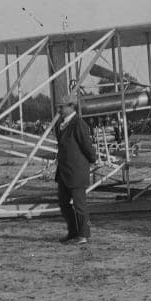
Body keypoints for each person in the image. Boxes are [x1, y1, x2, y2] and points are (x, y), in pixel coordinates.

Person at [53, 91, 97, 245]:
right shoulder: (60, 124)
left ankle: (83, 235)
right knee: (64, 204)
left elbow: (87, 146)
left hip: (76, 172)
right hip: (64, 172)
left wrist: (93, 159)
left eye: (61, 107)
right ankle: (73, 232)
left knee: (79, 205)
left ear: (71, 107)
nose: (59, 110)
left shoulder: (79, 124)